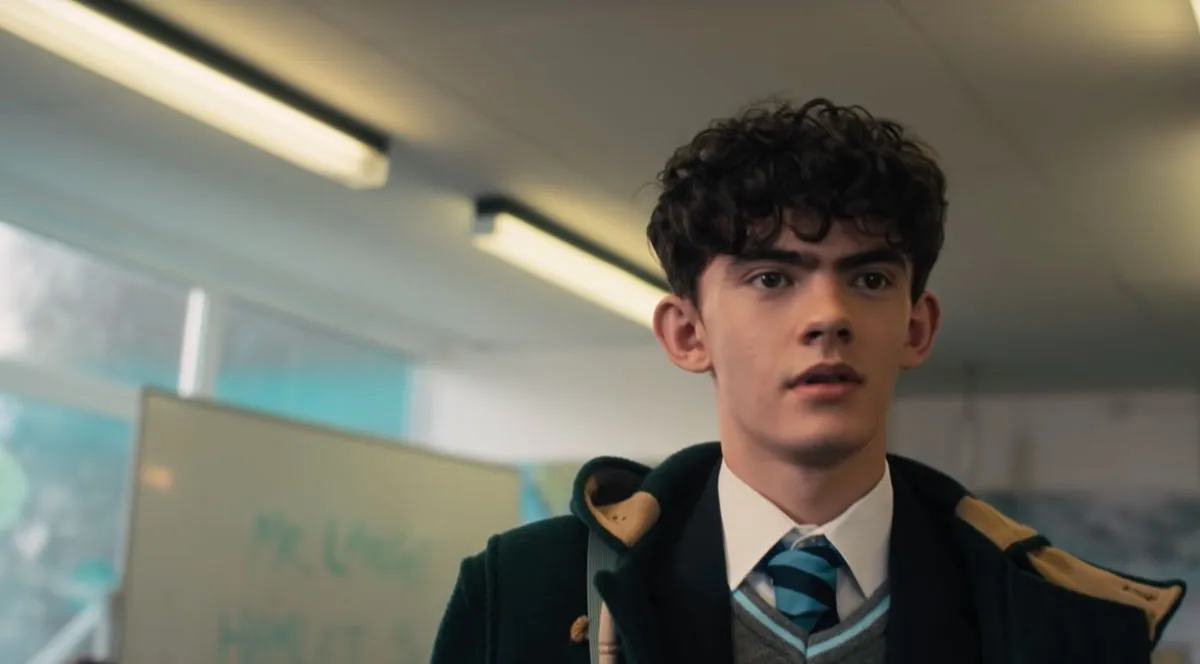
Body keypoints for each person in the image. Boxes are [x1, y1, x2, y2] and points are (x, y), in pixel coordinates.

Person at [434, 98, 1185, 664]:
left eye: (868, 278)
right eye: (771, 278)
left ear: (916, 328)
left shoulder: (1063, 620)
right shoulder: (527, 593)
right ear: (688, 334)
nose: (828, 316)